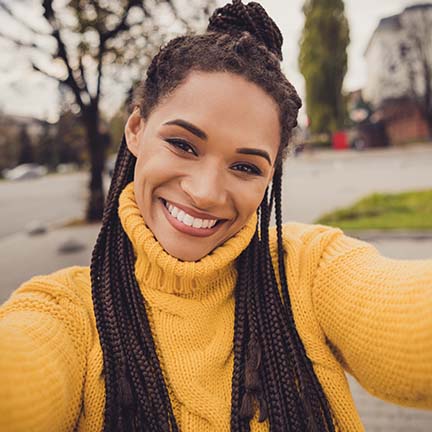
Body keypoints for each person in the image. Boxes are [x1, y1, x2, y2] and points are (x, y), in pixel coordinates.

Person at [1, 1, 431, 431]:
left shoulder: (306, 273)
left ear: (269, 179)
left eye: (245, 167)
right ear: (136, 130)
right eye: (183, 144)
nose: (205, 193)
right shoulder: (67, 313)